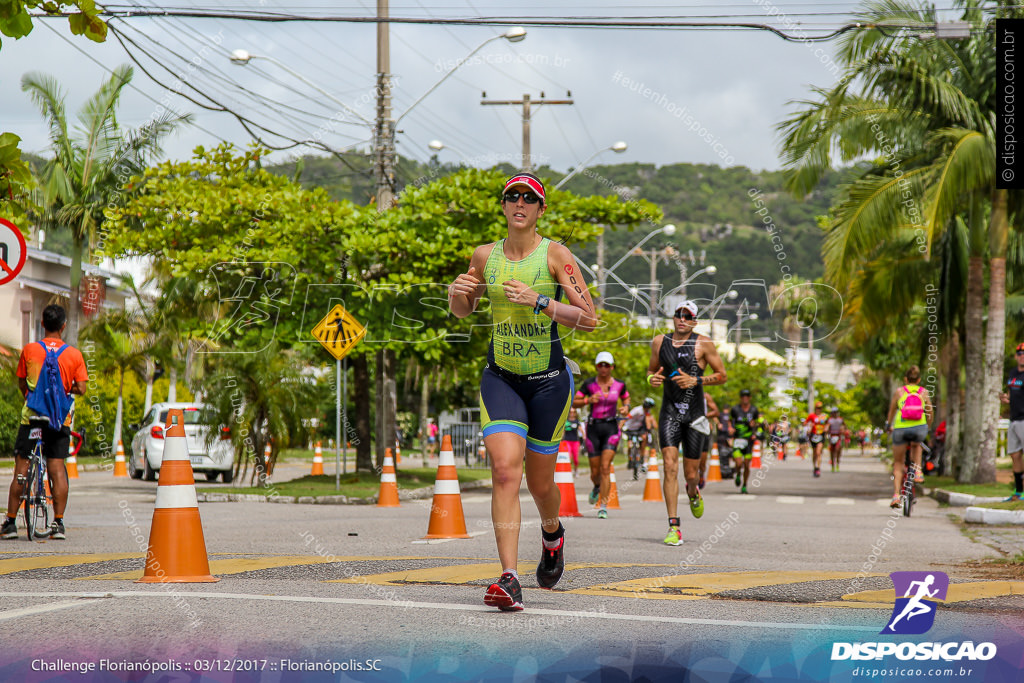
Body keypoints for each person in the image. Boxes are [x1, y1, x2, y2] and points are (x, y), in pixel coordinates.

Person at [448, 172, 597, 611]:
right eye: (512, 197)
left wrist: (541, 301)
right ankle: (509, 577)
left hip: (549, 382)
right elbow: (462, 310)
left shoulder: (556, 255)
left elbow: (589, 318)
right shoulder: (484, 255)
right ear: (503, 206)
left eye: (529, 199)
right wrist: (458, 293)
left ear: (540, 210)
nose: (520, 204)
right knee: (505, 471)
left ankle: (552, 535)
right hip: (501, 378)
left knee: (540, 483)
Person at [2, 305, 88, 541]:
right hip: (59, 420)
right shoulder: (74, 355)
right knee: (57, 468)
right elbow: (81, 387)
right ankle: (58, 523)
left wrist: (31, 399)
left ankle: (10, 523)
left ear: (42, 324)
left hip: (31, 418)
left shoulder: (30, 350)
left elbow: (22, 382)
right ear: (63, 326)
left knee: (21, 469)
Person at [647, 300, 727, 546]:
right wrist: (653, 379)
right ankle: (674, 526)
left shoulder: (704, 343)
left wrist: (696, 380)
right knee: (670, 466)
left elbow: (722, 376)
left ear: (694, 321)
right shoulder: (660, 342)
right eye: (678, 314)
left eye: (687, 315)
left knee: (691, 474)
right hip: (670, 412)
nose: (682, 319)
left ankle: (693, 491)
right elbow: (652, 371)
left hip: (694, 416)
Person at [575, 351, 630, 516]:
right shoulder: (589, 384)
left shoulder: (620, 385)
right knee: (595, 472)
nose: (604, 368)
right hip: (593, 429)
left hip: (611, 428)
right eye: (601, 365)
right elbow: (574, 401)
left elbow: (626, 399)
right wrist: (587, 400)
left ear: (612, 367)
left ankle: (603, 506)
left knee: (605, 468)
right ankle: (597, 486)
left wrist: (625, 407)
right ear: (597, 367)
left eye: (607, 365)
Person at [886, 365, 933, 508]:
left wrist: (889, 425)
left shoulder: (899, 392)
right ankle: (918, 471)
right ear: (918, 379)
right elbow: (929, 411)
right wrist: (927, 426)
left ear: (905, 379)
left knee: (898, 463)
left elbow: (892, 411)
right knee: (917, 443)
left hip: (900, 428)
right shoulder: (923, 392)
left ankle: (896, 496)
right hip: (919, 428)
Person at [1001, 342, 1024, 501]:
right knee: (1015, 455)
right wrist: (1005, 399)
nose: (1022, 356)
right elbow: (1011, 393)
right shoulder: (1013, 373)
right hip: (1013, 420)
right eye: (1020, 354)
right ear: (1016, 356)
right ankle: (1018, 492)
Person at [729, 389, 760, 494]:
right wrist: (730, 428)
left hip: (748, 440)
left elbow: (757, 422)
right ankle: (738, 474)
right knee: (738, 463)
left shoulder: (754, 410)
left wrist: (754, 426)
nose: (745, 398)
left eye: (747, 396)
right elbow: (730, 421)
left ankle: (745, 485)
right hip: (737, 439)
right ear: (740, 398)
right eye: (743, 396)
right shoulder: (735, 409)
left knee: (746, 464)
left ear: (749, 397)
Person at [622, 396, 656, 480]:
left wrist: (649, 429)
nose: (648, 409)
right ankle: (630, 459)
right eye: (647, 407)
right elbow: (626, 417)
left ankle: (641, 456)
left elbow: (649, 423)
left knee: (644, 438)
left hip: (638, 429)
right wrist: (620, 426)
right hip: (629, 428)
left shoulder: (647, 412)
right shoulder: (637, 410)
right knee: (630, 445)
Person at [698, 393, 720, 489]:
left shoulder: (705, 396)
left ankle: (701, 475)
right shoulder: (683, 394)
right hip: (689, 431)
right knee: (691, 463)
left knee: (702, 463)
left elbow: (716, 411)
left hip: (703, 431)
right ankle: (692, 485)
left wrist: (703, 416)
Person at [803, 401, 828, 477]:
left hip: (821, 435)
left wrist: (826, 428)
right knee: (814, 453)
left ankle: (818, 468)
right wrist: (809, 425)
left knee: (818, 452)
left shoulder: (824, 416)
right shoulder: (812, 416)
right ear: (815, 408)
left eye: (820, 408)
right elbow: (804, 423)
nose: (818, 409)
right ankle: (814, 467)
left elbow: (828, 424)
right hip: (813, 436)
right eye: (817, 408)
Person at [715, 404, 734, 479]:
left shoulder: (730, 415)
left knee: (729, 453)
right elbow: (714, 416)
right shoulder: (720, 414)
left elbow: (730, 423)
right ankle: (723, 470)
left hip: (728, 436)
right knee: (722, 454)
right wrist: (718, 424)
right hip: (721, 436)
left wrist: (730, 428)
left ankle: (728, 471)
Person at [826, 407, 848, 473]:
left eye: (836, 412)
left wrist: (843, 430)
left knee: (838, 449)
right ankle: (833, 465)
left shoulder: (840, 419)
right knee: (832, 451)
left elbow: (845, 426)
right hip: (831, 436)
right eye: (833, 412)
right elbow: (827, 427)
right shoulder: (829, 420)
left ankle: (838, 464)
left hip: (838, 436)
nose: (835, 414)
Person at [563, 408, 582, 476]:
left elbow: (581, 430)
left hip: (575, 441)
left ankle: (576, 470)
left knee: (576, 459)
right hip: (567, 441)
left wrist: (585, 437)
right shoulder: (566, 421)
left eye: (573, 412)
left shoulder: (577, 421)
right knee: (568, 457)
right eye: (570, 412)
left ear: (575, 413)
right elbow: (563, 431)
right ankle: (569, 471)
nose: (572, 413)